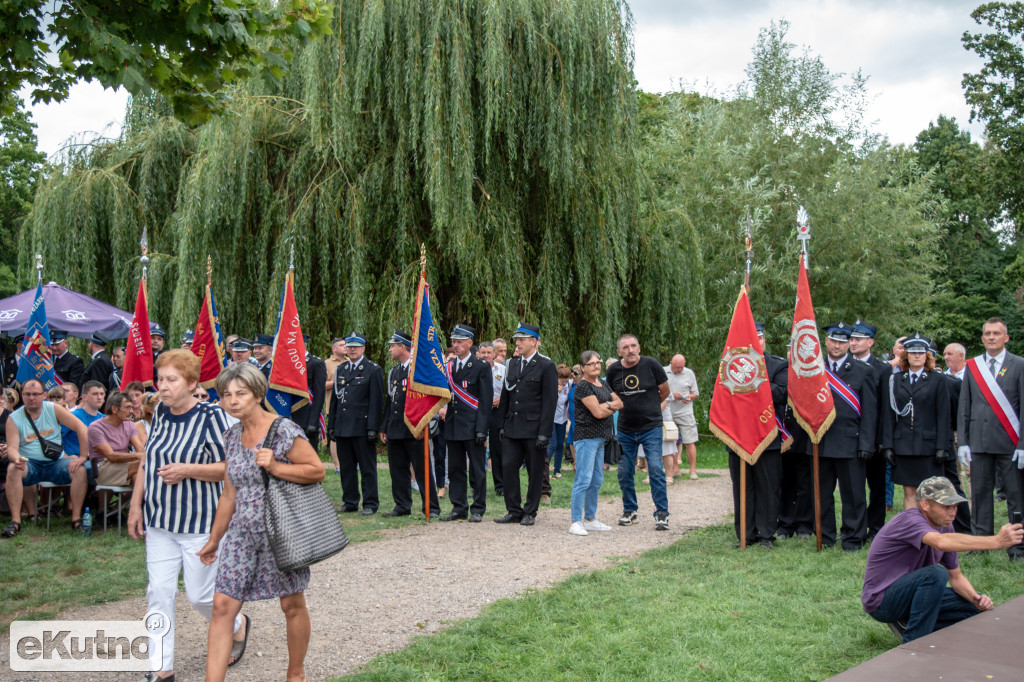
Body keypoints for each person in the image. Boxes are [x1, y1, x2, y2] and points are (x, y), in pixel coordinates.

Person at [126, 350, 248, 680]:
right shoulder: (160, 414)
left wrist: (189, 470)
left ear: (192, 383)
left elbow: (231, 467)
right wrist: (136, 507)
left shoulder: (214, 417)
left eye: (171, 380)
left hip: (200, 523)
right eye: (159, 379)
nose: (162, 386)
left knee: (200, 596)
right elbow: (147, 462)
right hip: (160, 522)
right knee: (158, 593)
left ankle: (237, 622)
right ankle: (160, 669)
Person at [199, 362, 322, 682]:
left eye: (240, 393)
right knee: (223, 606)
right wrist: (215, 538)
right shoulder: (231, 435)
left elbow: (316, 470)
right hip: (242, 532)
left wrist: (277, 468)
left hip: (280, 529)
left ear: (256, 393)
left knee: (291, 604)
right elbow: (228, 494)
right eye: (226, 395)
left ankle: (295, 674)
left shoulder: (282, 430)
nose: (233, 400)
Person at [862, 476, 1023, 643]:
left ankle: (910, 623)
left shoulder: (946, 525)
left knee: (975, 608)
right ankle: (914, 644)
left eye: (954, 505)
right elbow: (941, 542)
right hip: (882, 602)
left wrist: (976, 599)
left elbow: (956, 577)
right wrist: (996, 541)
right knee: (935, 574)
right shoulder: (910, 520)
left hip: (914, 592)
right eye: (946, 506)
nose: (952, 511)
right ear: (925, 504)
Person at [957, 317, 1024, 560]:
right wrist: (963, 441)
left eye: (996, 333)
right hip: (979, 442)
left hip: (1010, 443)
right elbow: (965, 406)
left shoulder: (1019, 364)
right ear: (982, 337)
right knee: (981, 495)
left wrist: (1023, 444)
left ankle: (1017, 547)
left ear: (1006, 337)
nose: (991, 337)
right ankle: (980, 543)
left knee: (1016, 498)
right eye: (987, 333)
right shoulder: (973, 366)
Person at [2, 378, 90, 537]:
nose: (31, 398)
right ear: (22, 395)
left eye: (35, 394)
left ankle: (76, 519)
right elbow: (13, 449)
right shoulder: (14, 418)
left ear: (44, 395)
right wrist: (16, 459)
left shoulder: (54, 409)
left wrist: (83, 456)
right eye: (27, 394)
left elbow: (81, 428)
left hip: (56, 462)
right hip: (30, 464)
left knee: (80, 470)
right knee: (13, 469)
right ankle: (15, 521)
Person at [817, 322, 878, 551]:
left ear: (849, 343)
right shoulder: (814, 369)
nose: (837, 345)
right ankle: (825, 535)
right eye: (833, 340)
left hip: (850, 443)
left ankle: (853, 537)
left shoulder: (864, 371)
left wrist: (866, 443)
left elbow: (870, 414)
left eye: (843, 341)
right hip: (820, 442)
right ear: (826, 341)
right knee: (822, 493)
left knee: (854, 494)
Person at [494, 323, 557, 527]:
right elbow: (506, 395)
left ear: (534, 341)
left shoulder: (546, 366)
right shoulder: (512, 364)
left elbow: (549, 402)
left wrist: (544, 433)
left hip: (534, 429)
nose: (518, 343)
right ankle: (513, 510)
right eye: (517, 340)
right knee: (508, 468)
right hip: (512, 427)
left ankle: (530, 511)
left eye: (522, 340)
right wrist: (502, 424)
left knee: (535, 470)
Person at [606, 334, 671, 530]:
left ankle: (662, 513)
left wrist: (650, 407)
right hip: (625, 429)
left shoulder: (651, 364)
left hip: (650, 427)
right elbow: (611, 393)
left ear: (639, 348)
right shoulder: (614, 370)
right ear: (619, 352)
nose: (630, 350)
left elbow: (665, 391)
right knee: (624, 471)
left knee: (655, 468)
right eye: (625, 347)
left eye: (633, 346)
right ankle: (630, 510)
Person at [728, 322, 784, 548]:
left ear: (764, 340)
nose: (755, 343)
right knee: (742, 488)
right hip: (738, 436)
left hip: (767, 437)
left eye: (758, 339)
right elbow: (723, 397)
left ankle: (766, 534)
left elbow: (782, 393)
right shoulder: (730, 365)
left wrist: (755, 379)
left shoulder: (778, 365)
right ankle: (745, 534)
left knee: (768, 489)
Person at [881, 334, 950, 510]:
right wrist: (888, 445)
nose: (917, 356)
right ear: (906, 355)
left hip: (928, 446)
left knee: (929, 494)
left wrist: (942, 446)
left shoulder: (938, 379)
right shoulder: (896, 380)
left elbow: (943, 415)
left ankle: (929, 534)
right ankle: (912, 532)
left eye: (921, 352)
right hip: (903, 445)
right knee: (909, 492)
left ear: (927, 355)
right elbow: (889, 415)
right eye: (912, 352)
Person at [381, 330, 440, 518]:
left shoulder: (419, 369)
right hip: (396, 427)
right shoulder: (395, 372)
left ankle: (431, 506)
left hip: (415, 428)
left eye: (392, 346)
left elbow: (428, 400)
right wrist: (384, 427)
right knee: (398, 470)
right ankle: (402, 505)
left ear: (403, 347)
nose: (390, 349)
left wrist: (425, 425)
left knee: (423, 470)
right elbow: (390, 401)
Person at [328, 331, 384, 515]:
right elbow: (336, 401)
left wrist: (372, 428)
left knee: (367, 468)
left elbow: (376, 403)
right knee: (346, 468)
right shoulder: (341, 370)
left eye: (356, 346)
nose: (352, 350)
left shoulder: (373, 370)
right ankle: (350, 501)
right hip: (343, 426)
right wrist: (332, 426)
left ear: (363, 348)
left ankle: (370, 503)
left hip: (362, 427)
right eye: (349, 346)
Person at [441, 324, 492, 522]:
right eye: (453, 342)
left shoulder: (481, 367)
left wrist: (482, 429)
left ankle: (478, 508)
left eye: (460, 342)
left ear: (470, 343)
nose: (455, 345)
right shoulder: (449, 366)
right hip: (453, 425)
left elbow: (485, 402)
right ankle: (458, 507)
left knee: (477, 469)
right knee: (455, 469)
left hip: (472, 427)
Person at [569, 351, 622, 536]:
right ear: (582, 367)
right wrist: (609, 405)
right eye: (591, 364)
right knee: (583, 478)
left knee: (597, 479)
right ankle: (576, 520)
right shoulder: (583, 386)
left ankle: (590, 518)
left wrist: (605, 405)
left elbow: (620, 403)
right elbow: (597, 413)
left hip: (602, 438)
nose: (596, 366)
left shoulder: (603, 383)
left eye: (598, 363)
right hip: (586, 438)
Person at [850, 318, 892, 539]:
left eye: (858, 339)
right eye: (852, 339)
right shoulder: (844, 365)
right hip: (850, 436)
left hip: (874, 438)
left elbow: (886, 407)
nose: (854, 343)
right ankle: (856, 526)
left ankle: (875, 528)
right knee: (854, 487)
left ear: (871, 342)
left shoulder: (882, 369)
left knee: (877, 487)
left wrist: (884, 441)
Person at [87, 391, 145, 488]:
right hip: (102, 468)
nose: (131, 411)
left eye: (131, 407)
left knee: (137, 476)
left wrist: (144, 455)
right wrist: (140, 456)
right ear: (114, 409)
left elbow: (140, 449)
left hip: (125, 465)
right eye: (127, 407)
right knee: (142, 465)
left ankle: (136, 503)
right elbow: (111, 456)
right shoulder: (95, 427)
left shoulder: (130, 425)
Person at [664, 354, 699, 480]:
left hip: (685, 412)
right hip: (668, 412)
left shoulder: (689, 373)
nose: (679, 369)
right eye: (676, 367)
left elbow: (695, 393)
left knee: (690, 442)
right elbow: (659, 391)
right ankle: (675, 468)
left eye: (681, 367)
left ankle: (693, 470)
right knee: (671, 441)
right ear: (670, 363)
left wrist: (690, 397)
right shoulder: (663, 372)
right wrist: (672, 395)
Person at [291, 335, 327, 450]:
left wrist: (313, 422)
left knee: (308, 458)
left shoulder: (316, 363)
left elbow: (319, 395)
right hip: (290, 417)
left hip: (307, 419)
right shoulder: (287, 364)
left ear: (303, 344)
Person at [482, 339, 507, 497]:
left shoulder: (503, 370)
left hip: (497, 412)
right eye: (483, 353)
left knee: (498, 449)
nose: (486, 355)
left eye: (489, 353)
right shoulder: (476, 369)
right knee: (479, 450)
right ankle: (478, 485)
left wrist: (501, 400)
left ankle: (500, 485)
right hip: (480, 412)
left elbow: (509, 390)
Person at [323, 337, 347, 474]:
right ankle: (338, 466)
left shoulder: (351, 362)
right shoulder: (326, 364)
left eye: (346, 345)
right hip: (333, 406)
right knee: (335, 437)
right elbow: (322, 385)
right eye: (341, 345)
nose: (345, 347)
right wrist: (338, 381)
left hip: (350, 406)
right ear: (334, 349)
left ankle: (350, 463)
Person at [547, 364, 572, 478]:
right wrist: (556, 392)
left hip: (562, 419)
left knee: (560, 445)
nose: (564, 384)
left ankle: (557, 470)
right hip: (551, 418)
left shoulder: (569, 385)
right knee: (552, 444)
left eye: (565, 381)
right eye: (562, 381)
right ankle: (543, 468)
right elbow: (549, 402)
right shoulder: (551, 384)